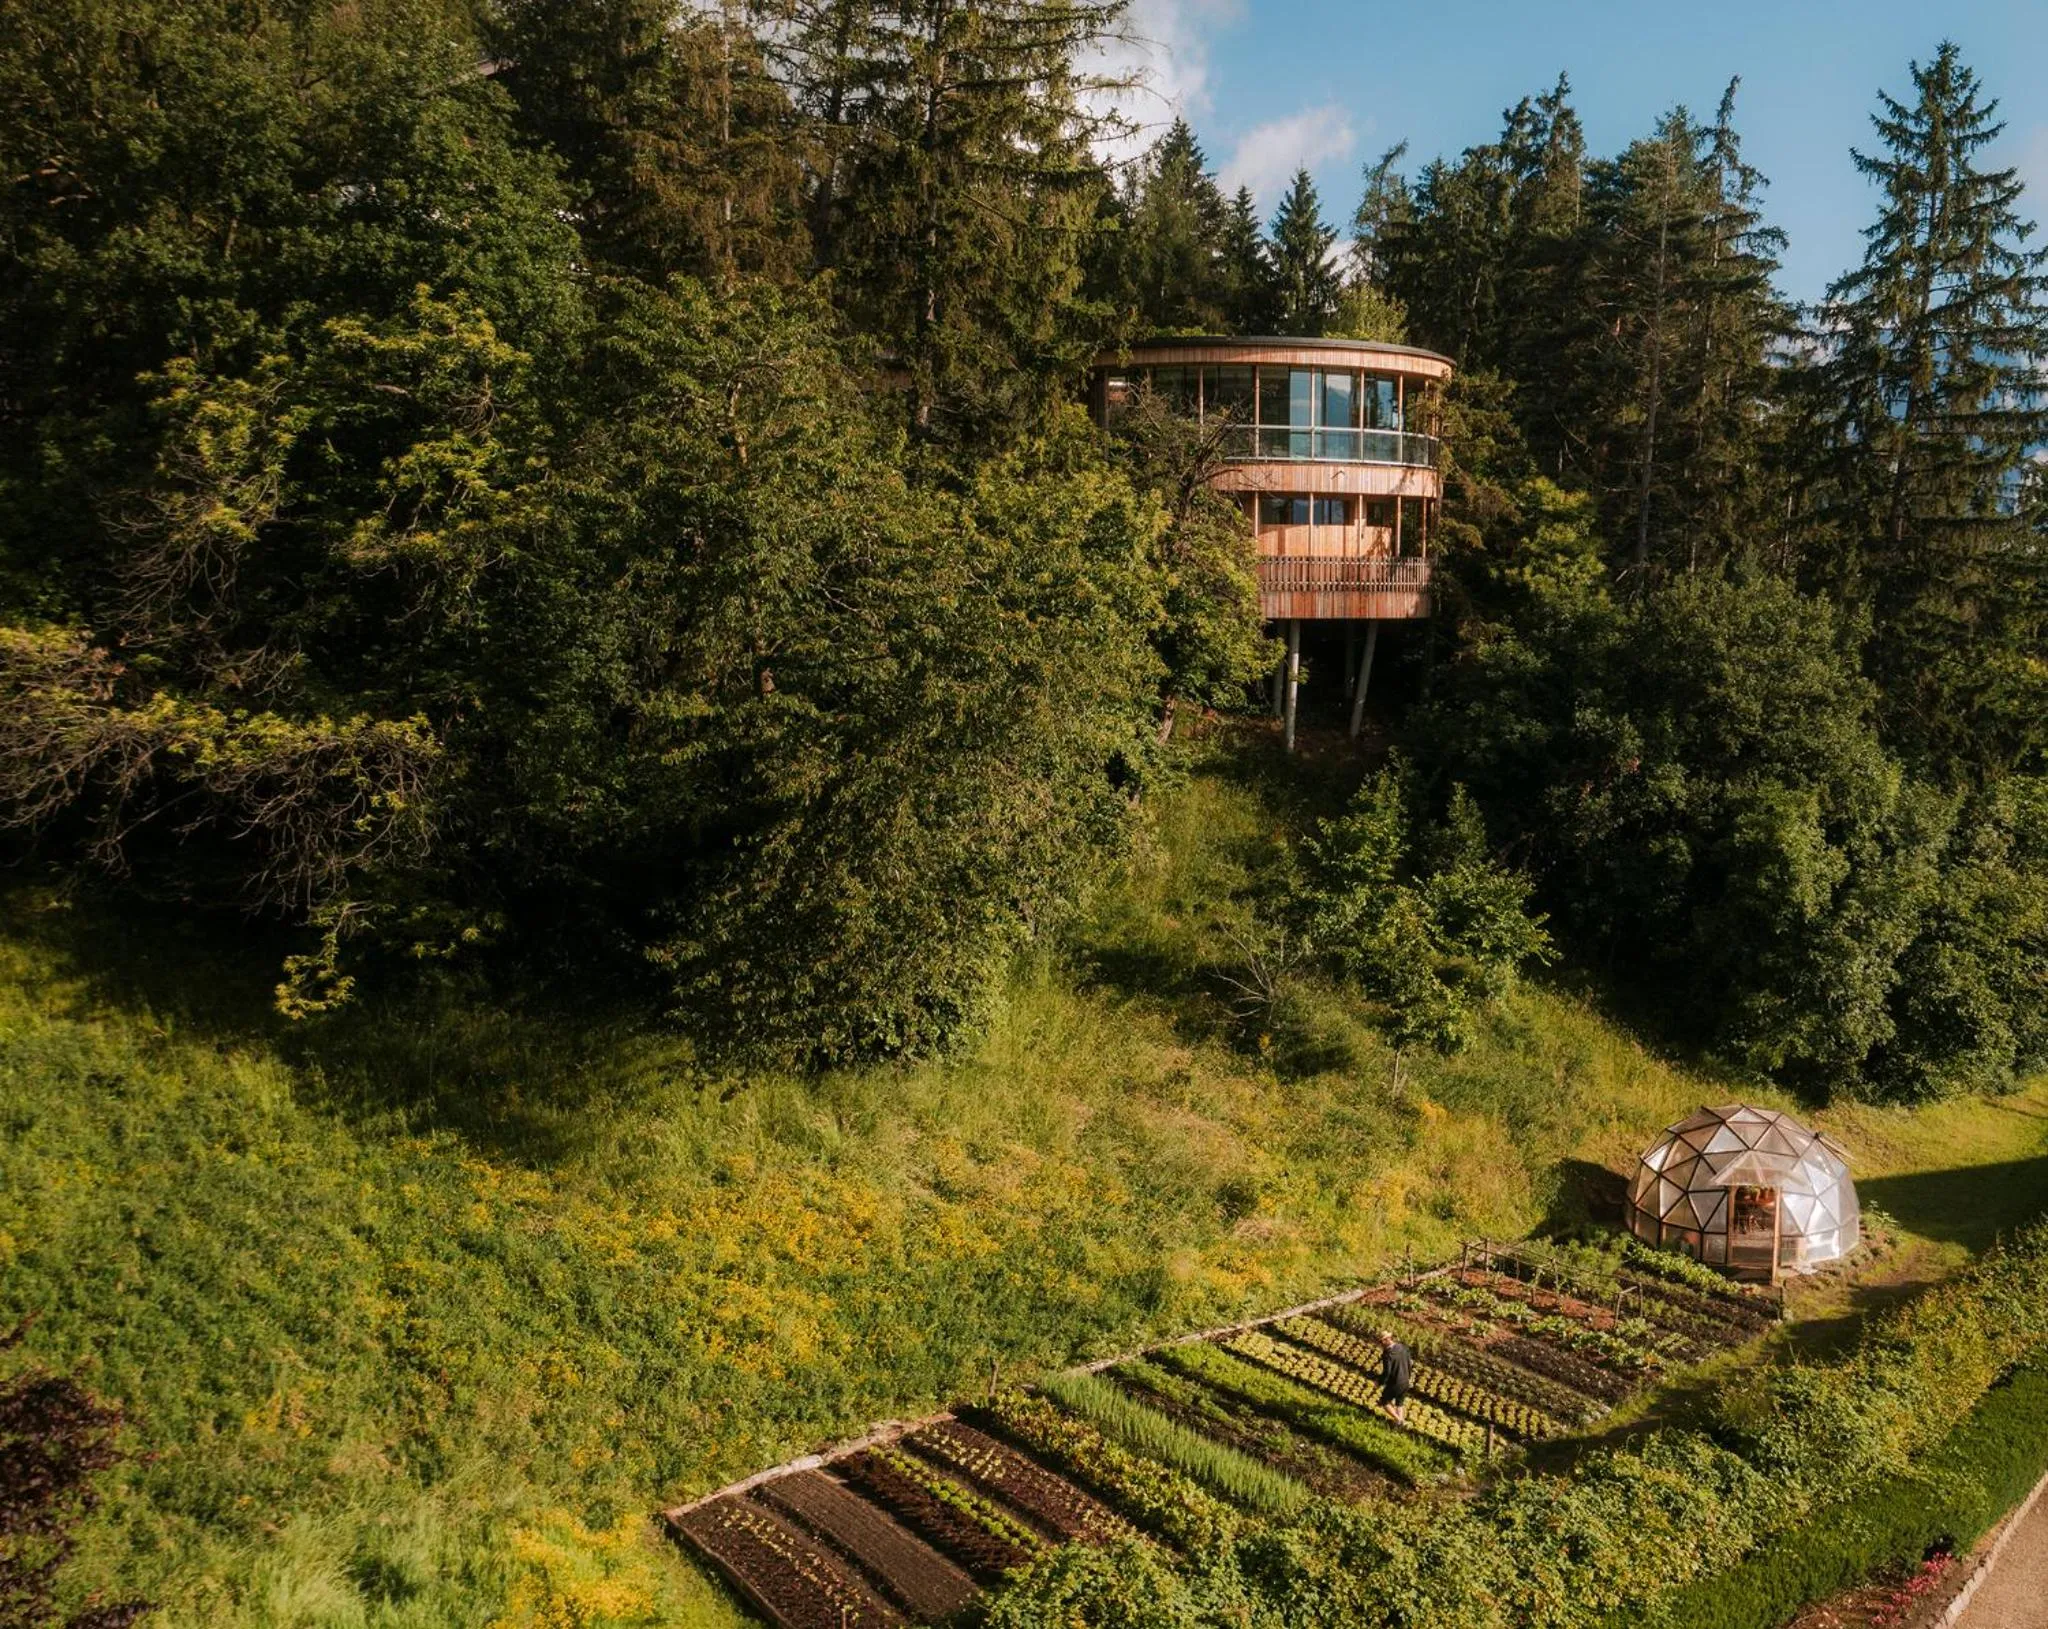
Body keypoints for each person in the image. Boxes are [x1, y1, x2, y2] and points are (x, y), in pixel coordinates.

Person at [1376, 1330, 1413, 1424]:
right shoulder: (1403, 1348)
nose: (1380, 1344)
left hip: (1395, 1382)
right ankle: (1400, 1424)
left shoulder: (1387, 1354)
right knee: (1399, 1404)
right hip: (1405, 1381)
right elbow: (1410, 1364)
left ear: (1387, 1340)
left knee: (1384, 1401)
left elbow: (1387, 1372)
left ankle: (1399, 1420)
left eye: (1381, 1342)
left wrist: (1379, 1382)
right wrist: (1408, 1377)